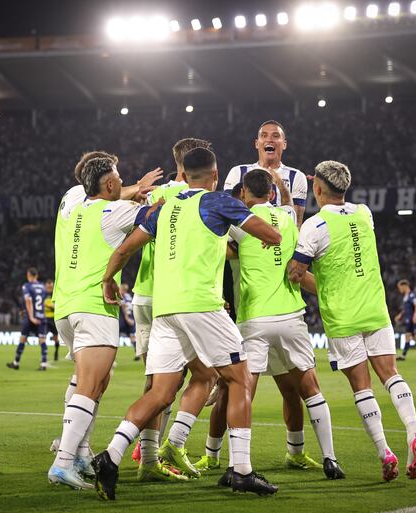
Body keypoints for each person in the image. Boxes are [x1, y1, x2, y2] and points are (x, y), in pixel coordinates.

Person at [93, 147, 282, 500]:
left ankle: (111, 456)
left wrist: (107, 279)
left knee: (161, 393)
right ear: (214, 175)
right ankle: (241, 470)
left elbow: (123, 250)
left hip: (166, 310)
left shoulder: (163, 210)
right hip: (202, 307)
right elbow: (272, 237)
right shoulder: (218, 203)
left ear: (186, 174)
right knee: (240, 378)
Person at [195, 170, 343, 482]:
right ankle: (330, 458)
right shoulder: (290, 221)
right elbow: (291, 210)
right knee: (310, 389)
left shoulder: (241, 224)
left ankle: (237, 464)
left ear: (245, 195)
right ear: (271, 193)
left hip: (255, 319)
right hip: (291, 316)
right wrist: (280, 187)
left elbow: (216, 240)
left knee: (241, 390)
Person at [288, 160, 416, 482]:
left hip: (343, 316)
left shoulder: (315, 225)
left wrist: (309, 277)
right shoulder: (365, 213)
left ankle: (384, 452)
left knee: (361, 387)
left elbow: (296, 273)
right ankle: (414, 433)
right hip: (375, 309)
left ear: (317, 189)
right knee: (391, 374)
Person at [47, 155, 171, 490]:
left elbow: (108, 191)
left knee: (95, 379)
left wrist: (132, 189)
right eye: (119, 177)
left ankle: (81, 452)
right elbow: (156, 215)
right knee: (90, 384)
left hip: (65, 308)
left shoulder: (70, 201)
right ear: (111, 183)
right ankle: (62, 463)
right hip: (93, 307)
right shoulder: (117, 212)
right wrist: (165, 192)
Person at [129, 138, 207, 463]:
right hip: (172, 296)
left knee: (158, 378)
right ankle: (155, 451)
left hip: (144, 294)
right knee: (191, 377)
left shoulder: (156, 195)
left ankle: (147, 451)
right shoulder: (194, 198)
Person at [224, 120, 308, 226]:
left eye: (275, 136)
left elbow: (295, 223)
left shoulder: (296, 176)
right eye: (264, 135)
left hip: (281, 240)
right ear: (256, 143)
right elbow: (229, 214)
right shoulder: (238, 172)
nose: (269, 139)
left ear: (284, 144)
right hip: (245, 239)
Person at [6, 268, 48, 371]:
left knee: (23, 339)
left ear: (29, 275)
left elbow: (28, 301)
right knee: (42, 340)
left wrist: (31, 317)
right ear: (37, 275)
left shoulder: (27, 286)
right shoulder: (43, 287)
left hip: (31, 317)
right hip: (42, 316)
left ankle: (16, 363)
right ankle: (43, 364)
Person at [395, 280, 416, 362]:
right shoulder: (406, 296)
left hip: (411, 319)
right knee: (411, 336)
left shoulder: (411, 295)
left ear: (404, 286)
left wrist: (415, 315)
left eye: (400, 287)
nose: (399, 290)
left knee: (410, 336)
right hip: (408, 318)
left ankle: (405, 355)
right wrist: (400, 315)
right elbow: (406, 308)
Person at [118, 283, 137, 359]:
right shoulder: (129, 296)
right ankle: (137, 353)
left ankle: (113, 357)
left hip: (124, 319)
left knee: (116, 335)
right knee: (132, 336)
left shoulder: (122, 297)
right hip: (131, 317)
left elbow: (124, 306)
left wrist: (126, 318)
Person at [44, 280, 60, 361]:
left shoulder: (55, 294)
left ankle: (56, 352)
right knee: (43, 337)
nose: (49, 288)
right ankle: (44, 354)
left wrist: (47, 306)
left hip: (53, 319)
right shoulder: (43, 294)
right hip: (45, 319)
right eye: (48, 286)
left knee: (55, 337)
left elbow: (56, 307)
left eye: (50, 286)